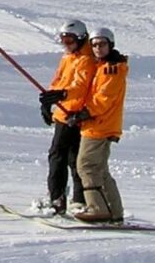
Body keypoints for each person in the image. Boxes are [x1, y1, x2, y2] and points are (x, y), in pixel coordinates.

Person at [70, 26, 128, 224]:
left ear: (110, 44)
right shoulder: (104, 66)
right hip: (99, 124)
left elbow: (104, 98)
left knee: (86, 166)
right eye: (94, 45)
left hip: (99, 126)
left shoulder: (111, 69)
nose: (97, 48)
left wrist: (84, 113)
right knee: (100, 169)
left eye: (102, 44)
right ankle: (114, 211)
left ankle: (98, 209)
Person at [36, 19, 92, 214]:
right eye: (63, 40)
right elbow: (58, 80)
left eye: (70, 41)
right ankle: (78, 199)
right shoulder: (68, 57)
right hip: (62, 113)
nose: (66, 45)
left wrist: (62, 95)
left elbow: (80, 87)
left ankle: (58, 200)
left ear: (81, 38)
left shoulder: (86, 59)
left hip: (74, 115)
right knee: (71, 157)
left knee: (59, 156)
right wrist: (49, 101)